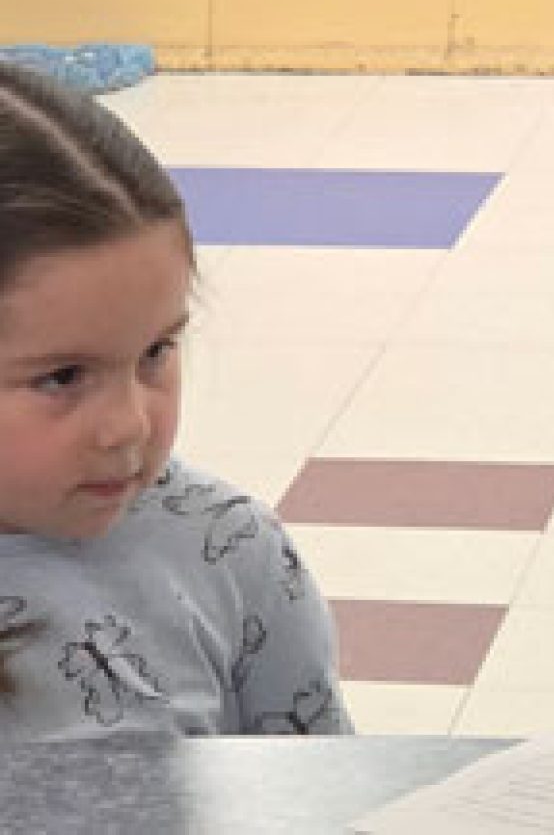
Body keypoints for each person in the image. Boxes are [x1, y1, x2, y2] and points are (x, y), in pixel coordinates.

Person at [0, 60, 351, 737]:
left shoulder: (228, 549)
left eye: (156, 353)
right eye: (63, 377)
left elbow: (318, 781)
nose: (129, 425)